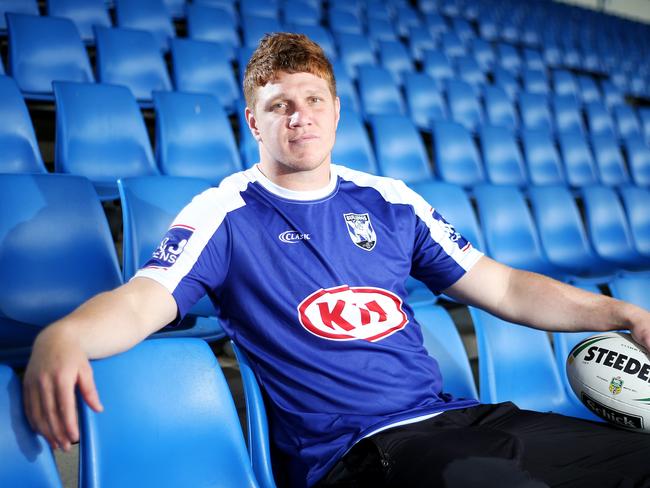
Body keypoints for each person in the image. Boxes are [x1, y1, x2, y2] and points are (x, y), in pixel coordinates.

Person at [24, 33, 650, 488]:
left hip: (467, 418)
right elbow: (142, 300)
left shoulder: (389, 200)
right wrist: (67, 334)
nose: (300, 116)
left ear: (336, 110)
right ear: (253, 122)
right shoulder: (225, 212)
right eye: (279, 106)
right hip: (364, 451)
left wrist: (618, 311)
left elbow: (506, 287)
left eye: (314, 100)